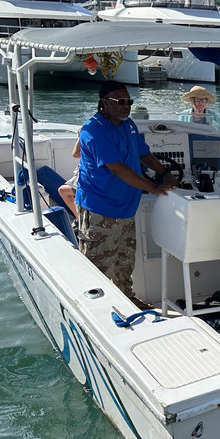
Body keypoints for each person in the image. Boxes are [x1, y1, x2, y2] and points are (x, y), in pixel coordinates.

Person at [75, 81, 174, 308]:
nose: (126, 106)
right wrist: (153, 187)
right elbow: (117, 168)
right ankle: (96, 308)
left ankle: (126, 299)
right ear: (104, 102)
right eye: (120, 101)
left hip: (126, 207)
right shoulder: (94, 130)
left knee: (124, 258)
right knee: (98, 262)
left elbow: (144, 154)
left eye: (129, 101)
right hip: (100, 208)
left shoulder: (128, 125)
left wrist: (164, 173)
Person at [58, 141, 80, 217]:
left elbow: (75, 154)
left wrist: (80, 137)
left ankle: (78, 218)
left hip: (91, 186)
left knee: (63, 191)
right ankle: (78, 218)